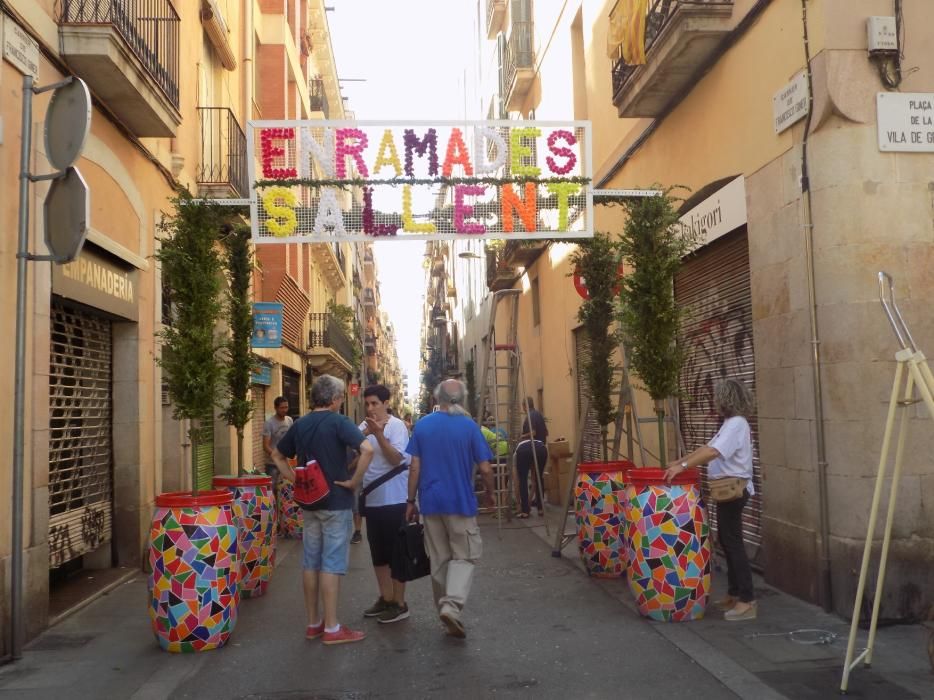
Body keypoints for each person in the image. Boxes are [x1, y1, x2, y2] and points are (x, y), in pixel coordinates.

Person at [272, 374, 375, 645]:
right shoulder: (339, 422)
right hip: (336, 502)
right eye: (341, 397)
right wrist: (354, 482)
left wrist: (293, 477)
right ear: (333, 399)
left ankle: (313, 623)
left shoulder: (301, 424)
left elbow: (276, 455)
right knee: (331, 563)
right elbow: (366, 450)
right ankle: (332, 628)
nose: (341, 402)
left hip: (309, 502)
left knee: (310, 561)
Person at [405, 379, 495, 639]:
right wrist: (489, 494)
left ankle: (445, 615)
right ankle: (451, 606)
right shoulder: (468, 427)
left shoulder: (422, 426)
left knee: (440, 559)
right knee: (464, 556)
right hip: (460, 502)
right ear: (461, 399)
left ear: (437, 399)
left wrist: (410, 502)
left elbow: (415, 468)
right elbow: (487, 469)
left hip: (431, 504)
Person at [664, 378, 757, 622]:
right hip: (726, 489)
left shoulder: (736, 424)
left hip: (733, 490)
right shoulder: (729, 423)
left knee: (732, 541)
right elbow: (708, 447)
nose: (714, 401)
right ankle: (734, 592)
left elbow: (714, 452)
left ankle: (747, 600)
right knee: (726, 540)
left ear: (726, 399)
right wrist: (680, 462)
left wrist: (683, 465)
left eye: (717, 397)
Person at [357, 385, 411, 624]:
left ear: (386, 403)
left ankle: (400, 604)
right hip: (373, 499)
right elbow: (354, 455)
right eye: (367, 404)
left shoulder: (397, 427)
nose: (370, 408)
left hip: (394, 499)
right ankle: (385, 598)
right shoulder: (362, 427)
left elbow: (395, 459)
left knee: (396, 554)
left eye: (375, 403)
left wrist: (378, 434)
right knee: (378, 554)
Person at [514, 397, 548, 518]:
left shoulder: (530, 415)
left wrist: (522, 436)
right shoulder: (539, 415)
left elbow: (532, 433)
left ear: (525, 406)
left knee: (522, 478)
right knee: (538, 477)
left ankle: (524, 510)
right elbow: (545, 433)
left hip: (527, 448)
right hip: (542, 448)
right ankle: (540, 508)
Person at [262, 396, 292, 490]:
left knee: (287, 489)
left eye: (286, 407)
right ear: (276, 408)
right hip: (272, 463)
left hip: (287, 462)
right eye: (282, 408)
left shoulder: (289, 420)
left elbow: (292, 440)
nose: (284, 410)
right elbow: (265, 445)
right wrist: (276, 456)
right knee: (272, 489)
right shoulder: (269, 423)